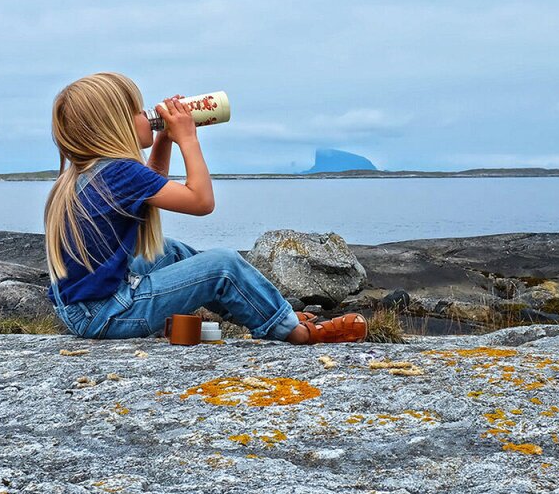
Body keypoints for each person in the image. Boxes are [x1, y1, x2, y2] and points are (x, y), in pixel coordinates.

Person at [44, 71, 367, 344]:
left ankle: (263, 308)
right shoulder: (118, 172)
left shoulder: (91, 173)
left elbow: (151, 186)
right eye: (139, 112)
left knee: (167, 252)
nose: (147, 116)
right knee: (222, 265)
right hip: (107, 313)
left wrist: (164, 140)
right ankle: (292, 331)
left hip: (82, 309)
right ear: (116, 126)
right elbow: (201, 201)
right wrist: (188, 139)